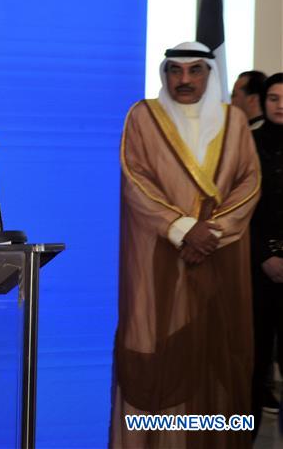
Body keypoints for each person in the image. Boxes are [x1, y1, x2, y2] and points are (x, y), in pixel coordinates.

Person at [110, 41, 261, 448]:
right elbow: (135, 179)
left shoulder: (234, 121)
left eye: (195, 71)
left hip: (219, 258)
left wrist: (211, 233)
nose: (185, 80)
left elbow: (249, 182)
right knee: (154, 349)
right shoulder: (143, 117)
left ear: (210, 74)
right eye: (176, 71)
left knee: (217, 354)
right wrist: (181, 228)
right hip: (158, 261)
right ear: (165, 74)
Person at [250, 72, 283, 433]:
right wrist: (264, 256)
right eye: (273, 98)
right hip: (255, 269)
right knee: (254, 361)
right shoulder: (247, 144)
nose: (280, 105)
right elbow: (239, 210)